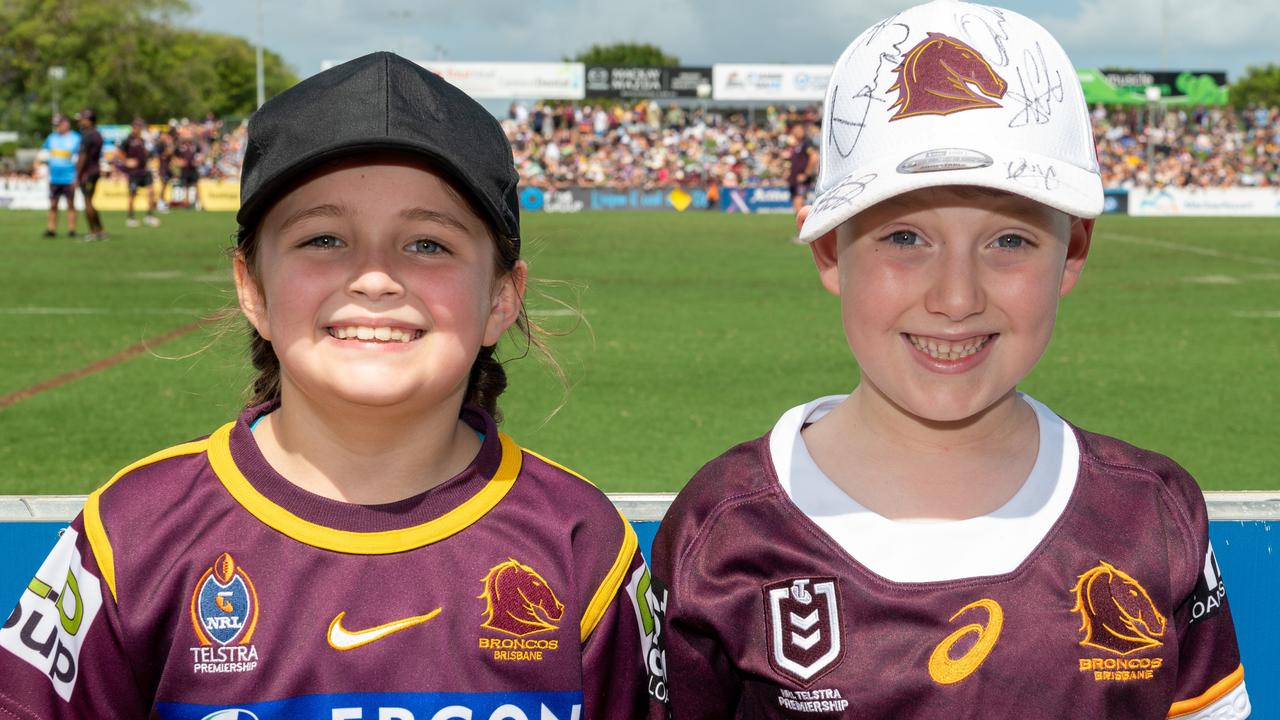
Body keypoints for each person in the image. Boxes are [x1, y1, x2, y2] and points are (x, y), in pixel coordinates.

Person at [0, 52, 651, 719]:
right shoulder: (131, 536)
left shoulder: (582, 548)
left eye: (427, 244)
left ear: (499, 299)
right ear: (252, 287)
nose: (374, 278)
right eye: (324, 239)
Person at [648, 2, 1250, 718]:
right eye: (905, 238)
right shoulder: (724, 530)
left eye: (1010, 242)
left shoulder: (1151, 513)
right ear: (831, 251)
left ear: (1073, 253)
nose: (957, 297)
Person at [38, 114, 80, 238]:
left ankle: (72, 230)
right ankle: (51, 229)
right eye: (55, 125)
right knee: (53, 204)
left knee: (70, 204)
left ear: (66, 124)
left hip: (70, 177)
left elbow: (80, 158)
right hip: (54, 178)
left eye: (59, 124)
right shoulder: (51, 138)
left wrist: (77, 176)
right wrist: (37, 164)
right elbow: (43, 153)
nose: (57, 127)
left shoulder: (76, 138)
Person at [117, 117, 161, 227]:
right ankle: (131, 218)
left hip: (144, 171)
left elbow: (149, 154)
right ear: (133, 127)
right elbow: (120, 153)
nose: (138, 128)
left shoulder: (144, 140)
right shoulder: (127, 140)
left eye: (140, 126)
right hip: (134, 173)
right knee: (132, 194)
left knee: (151, 192)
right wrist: (126, 161)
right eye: (136, 126)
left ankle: (149, 216)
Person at [75, 108, 107, 241]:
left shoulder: (88, 135)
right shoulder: (97, 134)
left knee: (87, 202)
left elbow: (83, 157)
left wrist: (77, 175)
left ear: (89, 120)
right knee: (90, 201)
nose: (79, 121)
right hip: (95, 171)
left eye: (82, 119)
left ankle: (93, 232)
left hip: (88, 173)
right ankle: (100, 230)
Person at [786, 121, 817, 216]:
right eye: (794, 130)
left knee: (799, 205)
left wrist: (806, 174)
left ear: (802, 130)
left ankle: (804, 230)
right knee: (798, 207)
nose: (795, 132)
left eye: (797, 130)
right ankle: (802, 230)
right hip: (795, 180)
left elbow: (814, 157)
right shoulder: (797, 144)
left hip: (801, 180)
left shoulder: (806, 142)